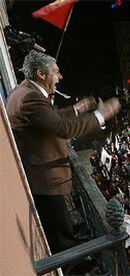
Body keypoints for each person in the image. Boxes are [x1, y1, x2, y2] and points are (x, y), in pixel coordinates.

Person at [6, 51, 120, 253]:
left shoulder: (23, 91)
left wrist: (75, 109)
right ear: (42, 74)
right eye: (56, 72)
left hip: (42, 180)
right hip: (45, 182)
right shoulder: (30, 98)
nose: (60, 77)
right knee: (62, 243)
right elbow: (64, 129)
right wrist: (100, 116)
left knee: (63, 234)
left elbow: (50, 117)